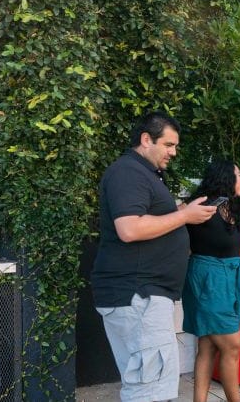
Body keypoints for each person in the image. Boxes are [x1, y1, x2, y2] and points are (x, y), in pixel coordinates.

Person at [91, 111, 217, 402]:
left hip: (141, 297)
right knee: (150, 391)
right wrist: (184, 215)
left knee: (148, 385)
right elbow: (130, 228)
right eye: (169, 145)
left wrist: (180, 210)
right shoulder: (128, 172)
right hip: (138, 296)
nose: (173, 152)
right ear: (146, 140)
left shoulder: (142, 174)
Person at [182, 160, 240, 402]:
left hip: (231, 279)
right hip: (207, 280)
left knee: (208, 346)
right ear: (225, 178)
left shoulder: (233, 207)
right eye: (238, 175)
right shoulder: (202, 207)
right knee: (232, 344)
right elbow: (174, 218)